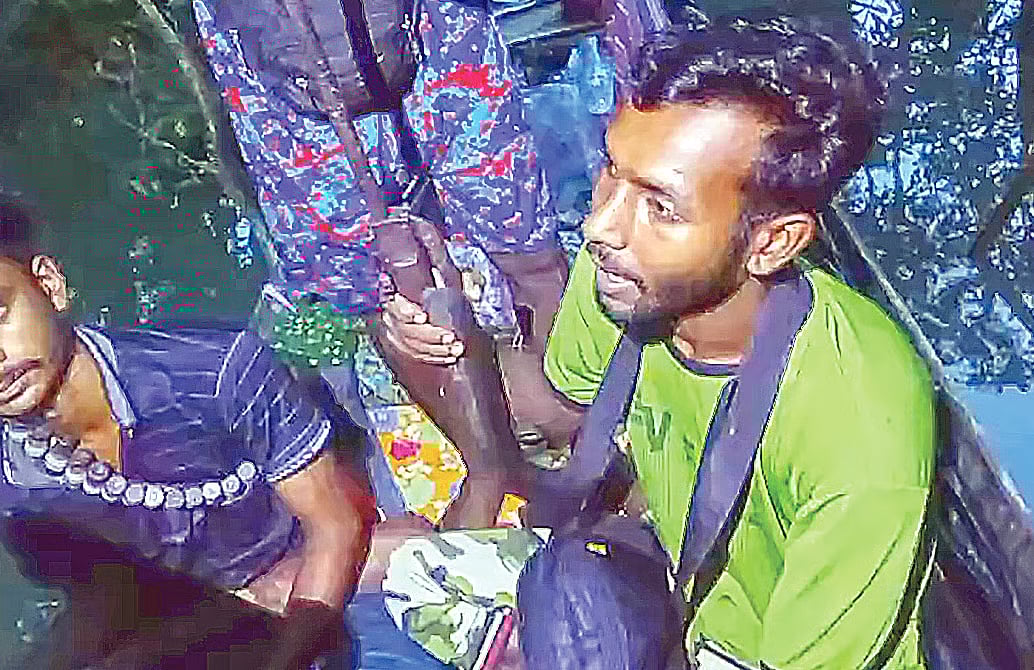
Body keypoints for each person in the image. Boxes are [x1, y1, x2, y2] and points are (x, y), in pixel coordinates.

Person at [378, 15, 937, 669]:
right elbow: (557, 411)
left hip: (760, 652)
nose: (599, 225)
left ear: (773, 242)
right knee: (416, 576)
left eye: (661, 206)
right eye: (612, 173)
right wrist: (452, 342)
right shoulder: (631, 272)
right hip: (668, 577)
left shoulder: (862, 432)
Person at [0, 172, 379, 669]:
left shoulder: (216, 370)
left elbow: (337, 523)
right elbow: (110, 597)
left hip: (335, 563)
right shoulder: (4, 488)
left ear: (49, 285)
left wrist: (280, 654)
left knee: (409, 562)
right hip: (219, 610)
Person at [191, 0, 587, 527]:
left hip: (433, 17)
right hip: (279, 56)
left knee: (519, 233)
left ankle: (577, 408)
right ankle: (490, 461)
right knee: (375, 279)